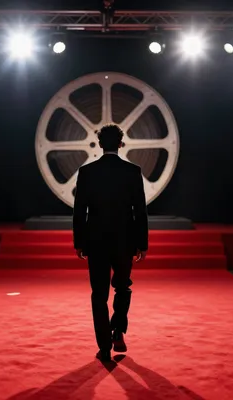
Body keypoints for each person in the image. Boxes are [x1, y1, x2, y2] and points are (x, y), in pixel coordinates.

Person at [73, 124, 149, 362]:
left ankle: (104, 347)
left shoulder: (87, 172)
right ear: (120, 143)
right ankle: (118, 330)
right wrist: (142, 243)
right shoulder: (133, 171)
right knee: (123, 287)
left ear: (99, 144)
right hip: (124, 240)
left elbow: (79, 211)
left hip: (96, 241)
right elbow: (140, 211)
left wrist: (79, 242)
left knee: (99, 294)